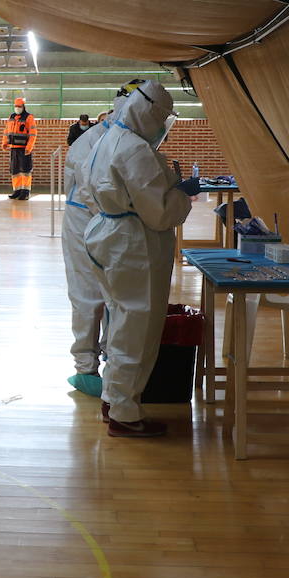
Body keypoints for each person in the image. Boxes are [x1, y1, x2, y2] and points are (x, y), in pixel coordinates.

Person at [78, 79, 199, 437]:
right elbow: (159, 213)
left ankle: (114, 399)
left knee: (120, 324)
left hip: (108, 237)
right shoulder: (135, 150)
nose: (163, 127)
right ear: (149, 113)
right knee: (138, 330)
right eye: (162, 118)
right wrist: (181, 195)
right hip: (134, 247)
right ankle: (125, 414)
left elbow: (88, 190)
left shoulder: (108, 138)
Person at [62, 109, 111, 394]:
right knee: (88, 295)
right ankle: (86, 366)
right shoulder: (93, 142)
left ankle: (106, 356)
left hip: (101, 222)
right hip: (86, 222)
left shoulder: (111, 138)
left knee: (112, 295)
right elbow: (93, 191)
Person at [2, 97, 37, 200]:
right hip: (13, 148)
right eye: (16, 106)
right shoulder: (11, 117)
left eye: (19, 106)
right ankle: (17, 190)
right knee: (15, 170)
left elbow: (33, 134)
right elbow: (6, 131)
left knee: (25, 170)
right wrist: (4, 143)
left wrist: (29, 147)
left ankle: (25, 192)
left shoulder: (29, 117)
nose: (17, 108)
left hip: (24, 149)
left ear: (23, 107)